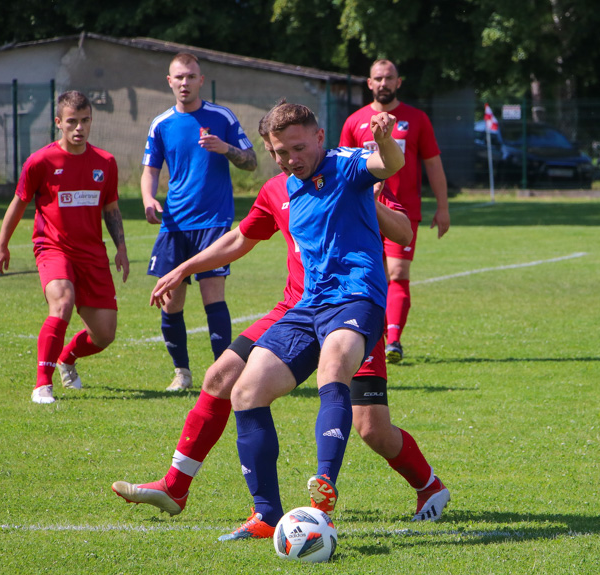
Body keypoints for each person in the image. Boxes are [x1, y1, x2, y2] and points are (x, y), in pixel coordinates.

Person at [111, 109, 449, 538]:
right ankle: (242, 507)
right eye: (278, 152)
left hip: (354, 303)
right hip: (301, 307)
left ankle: (390, 484)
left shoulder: (350, 166)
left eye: (298, 148)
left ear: (320, 136)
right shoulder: (277, 189)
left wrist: (375, 167)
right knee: (233, 383)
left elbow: (400, 217)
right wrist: (182, 269)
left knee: (371, 426)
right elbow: (239, 237)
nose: (289, 158)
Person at [0, 91, 129, 404]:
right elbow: (19, 202)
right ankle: (43, 384)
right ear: (58, 123)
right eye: (72, 121)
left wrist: (121, 248)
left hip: (93, 254)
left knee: (104, 334)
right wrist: (2, 243)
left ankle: (67, 358)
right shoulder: (40, 161)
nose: (79, 127)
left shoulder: (105, 162)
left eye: (85, 120)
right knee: (63, 302)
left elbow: (111, 208)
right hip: (53, 248)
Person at [141, 52, 257, 391]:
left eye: (191, 76)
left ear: (201, 80)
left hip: (214, 222)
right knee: (171, 299)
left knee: (213, 296)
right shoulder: (161, 123)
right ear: (169, 81)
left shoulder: (221, 117)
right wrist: (149, 198)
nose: (185, 83)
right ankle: (182, 373)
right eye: (179, 77)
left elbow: (251, 161)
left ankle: (225, 375)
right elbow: (150, 170)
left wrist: (225, 148)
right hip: (175, 223)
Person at [340, 59, 450, 363]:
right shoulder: (354, 122)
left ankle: (394, 342)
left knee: (399, 273)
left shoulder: (416, 119)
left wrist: (442, 207)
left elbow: (433, 163)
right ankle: (373, 337)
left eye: (389, 78)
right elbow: (343, 168)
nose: (384, 83)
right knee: (369, 275)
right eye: (378, 78)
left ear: (398, 82)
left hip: (404, 211)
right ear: (369, 83)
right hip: (365, 211)